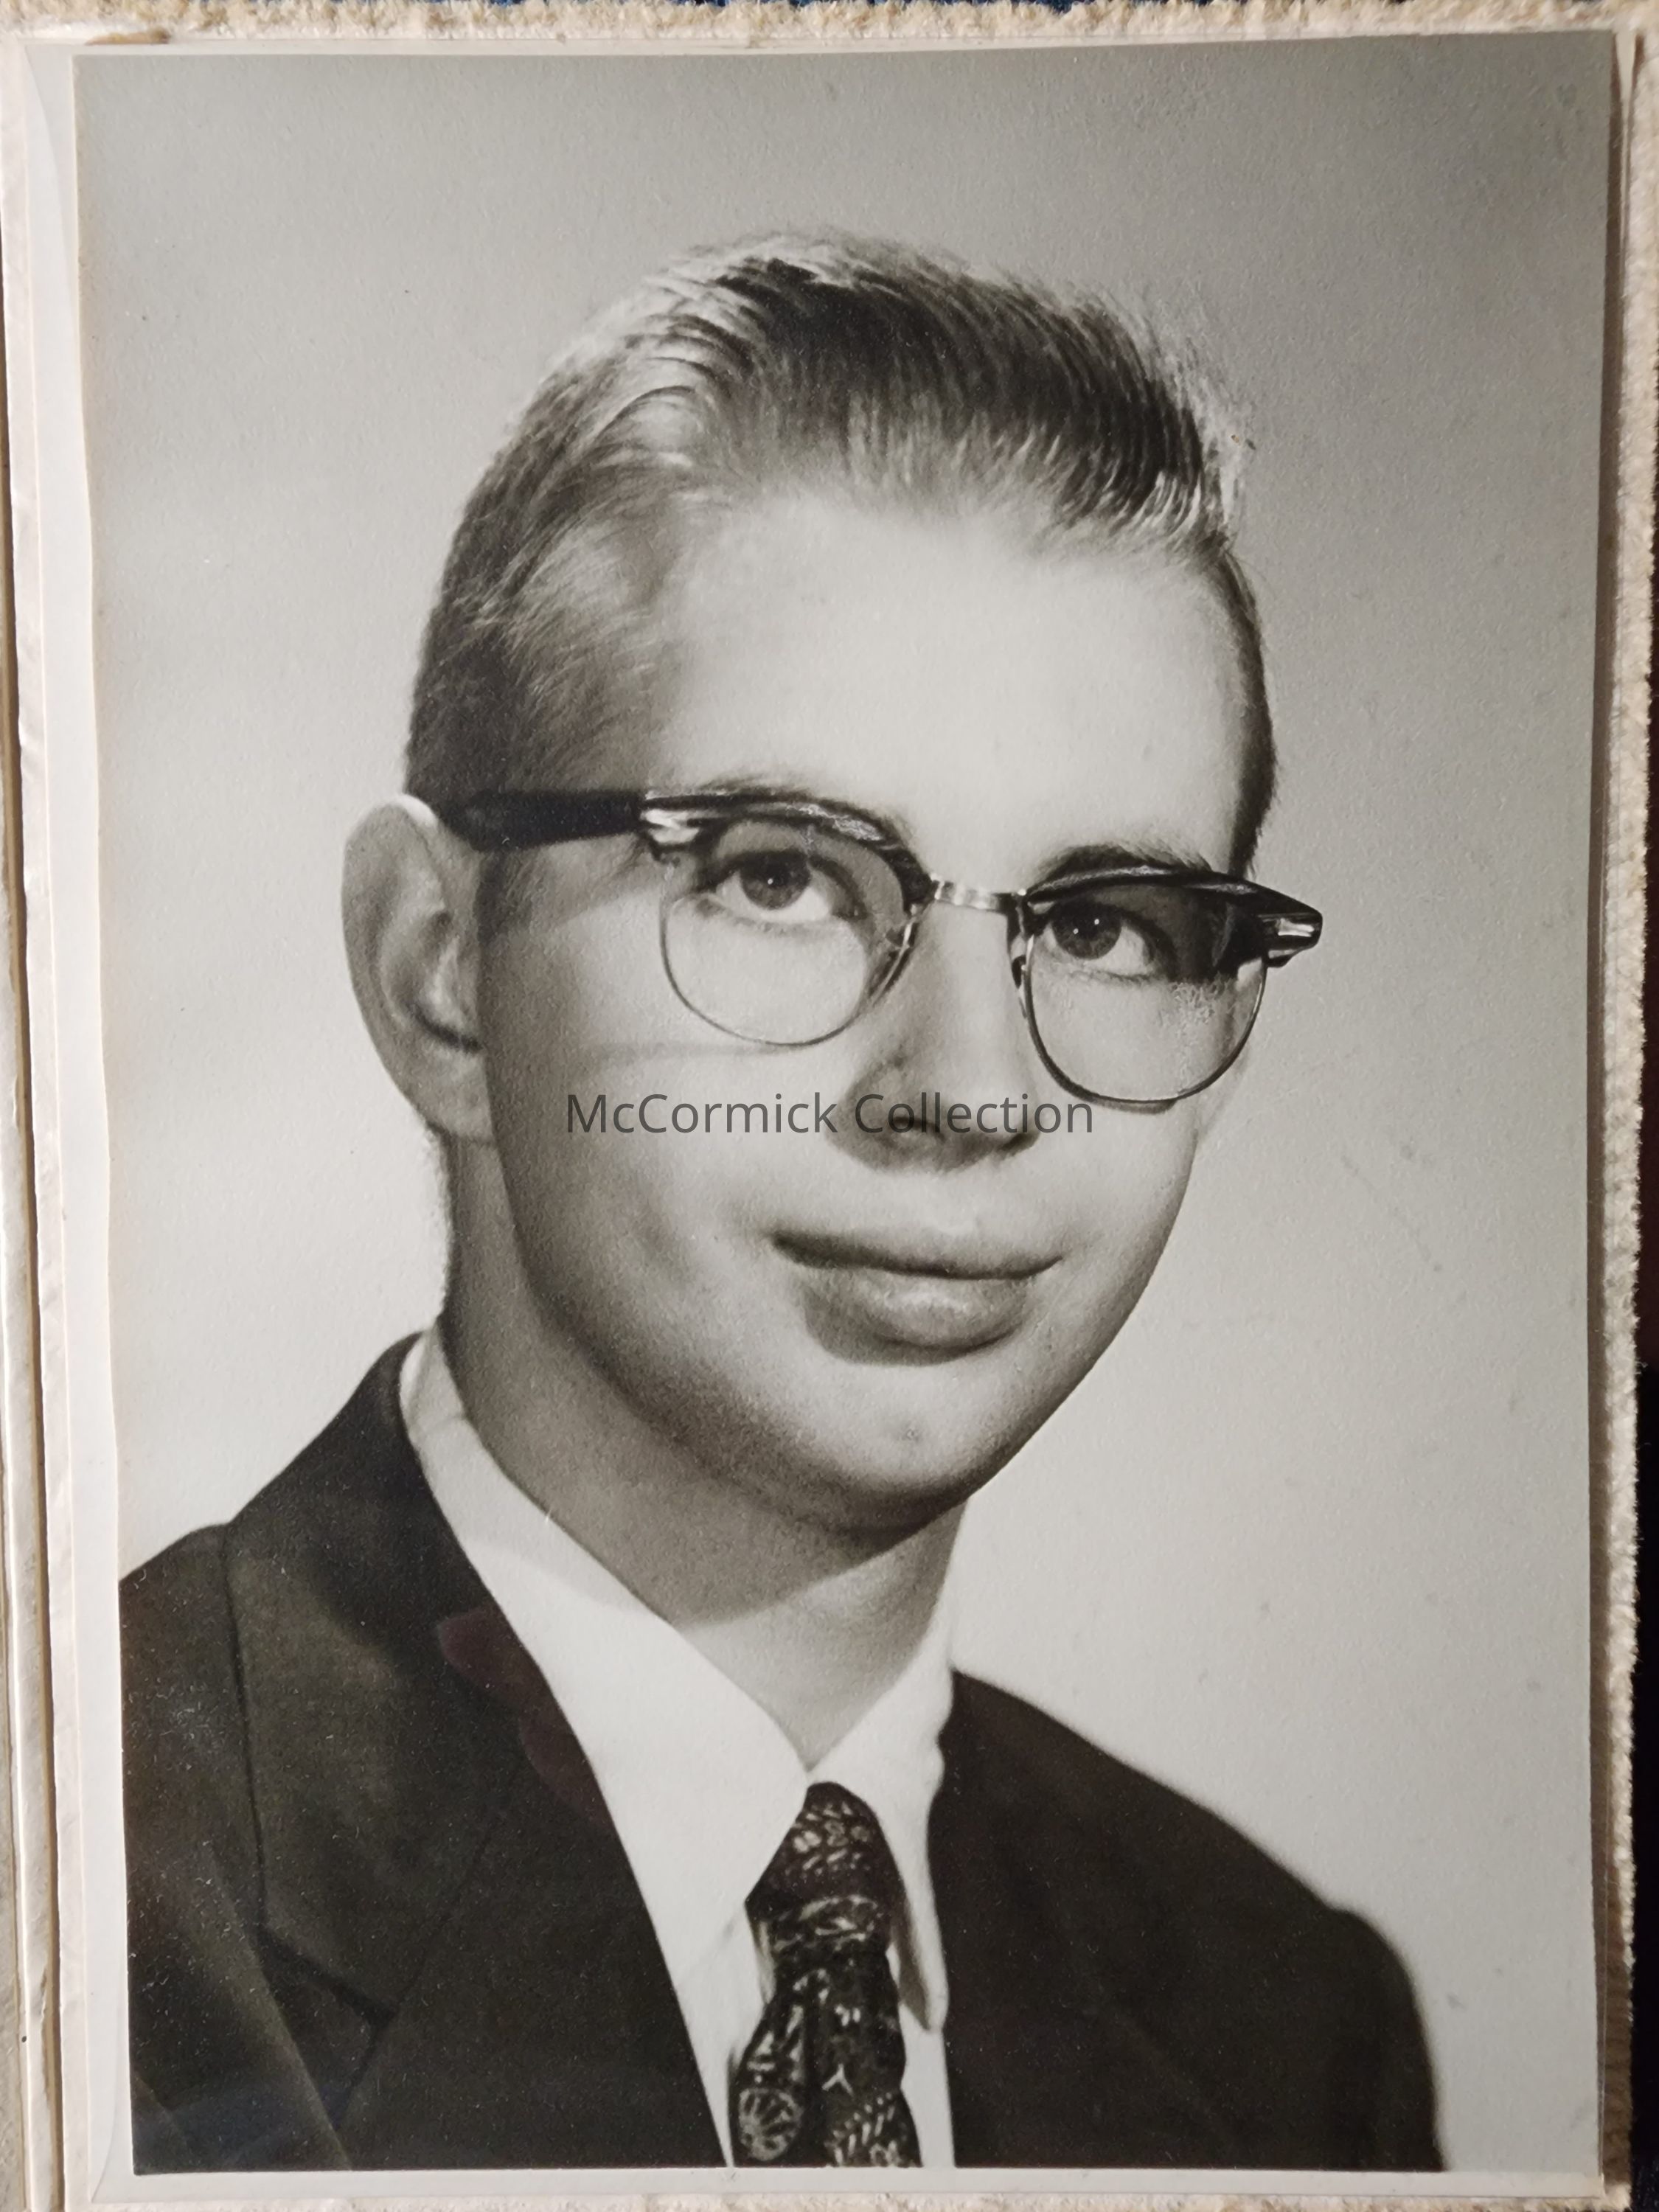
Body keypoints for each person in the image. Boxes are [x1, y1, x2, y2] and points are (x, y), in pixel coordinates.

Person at [122, 234, 1441, 2176]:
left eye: (1102, 924)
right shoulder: (88, 1878)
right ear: (439, 975)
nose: (964, 1088)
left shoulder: (1285, 2026)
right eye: (779, 876)